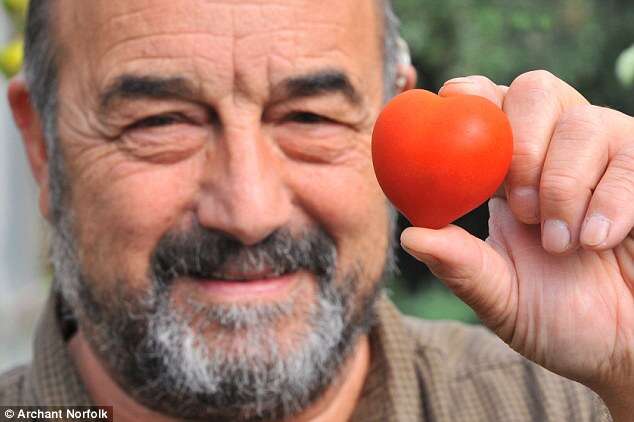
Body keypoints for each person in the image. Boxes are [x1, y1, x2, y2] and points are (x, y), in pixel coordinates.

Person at [1, 0, 632, 421]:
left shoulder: (579, 404)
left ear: (391, 120)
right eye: (161, 121)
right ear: (41, 145)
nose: (249, 212)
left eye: (310, 117)